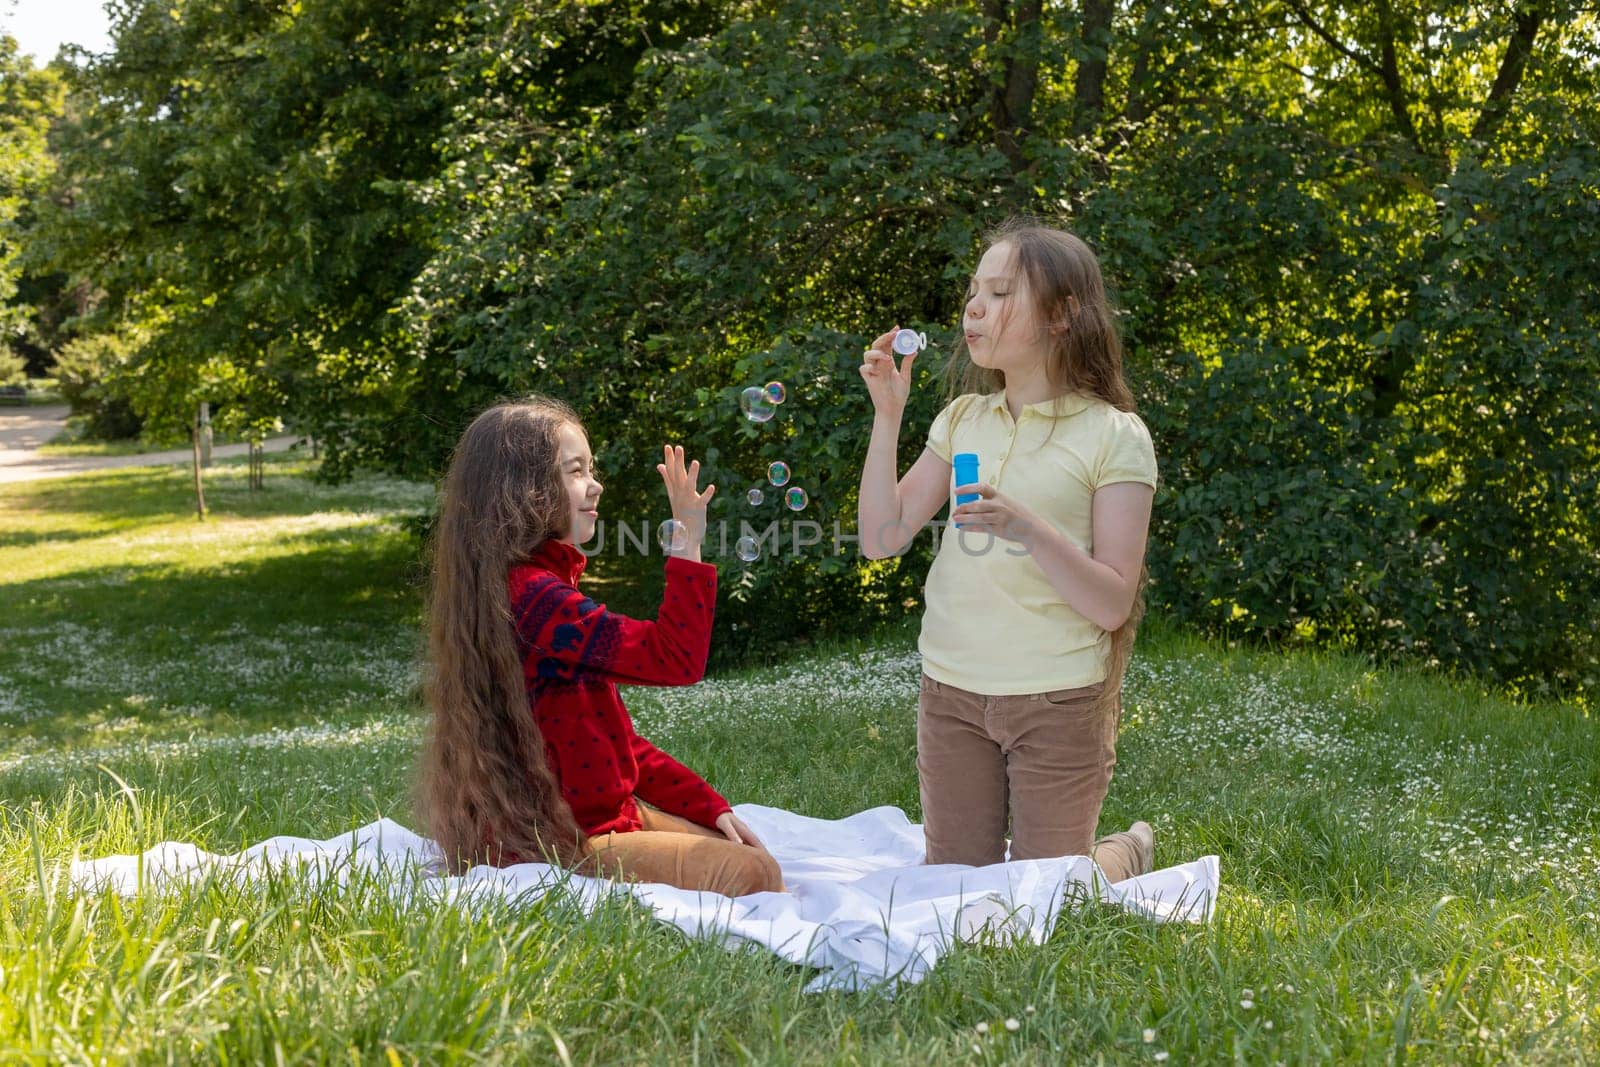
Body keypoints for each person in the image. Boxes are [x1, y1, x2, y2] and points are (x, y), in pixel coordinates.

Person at [856, 218, 1158, 882]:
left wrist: (1028, 529)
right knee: (956, 891)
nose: (973, 307)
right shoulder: (963, 420)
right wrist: (888, 415)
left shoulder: (1115, 436)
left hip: (1058, 702)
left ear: (1061, 316)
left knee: (1047, 898)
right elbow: (881, 539)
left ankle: (1124, 850)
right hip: (952, 694)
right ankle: (1096, 855)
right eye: (973, 292)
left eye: (998, 293)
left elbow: (1111, 602)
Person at [418, 396, 784, 897]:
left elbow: (619, 746)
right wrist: (687, 542)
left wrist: (713, 807)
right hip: (566, 841)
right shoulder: (536, 599)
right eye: (575, 471)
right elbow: (675, 659)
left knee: (754, 860)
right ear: (524, 489)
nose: (596, 485)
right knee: (753, 875)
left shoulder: (531, 587)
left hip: (604, 822)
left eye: (591, 468)